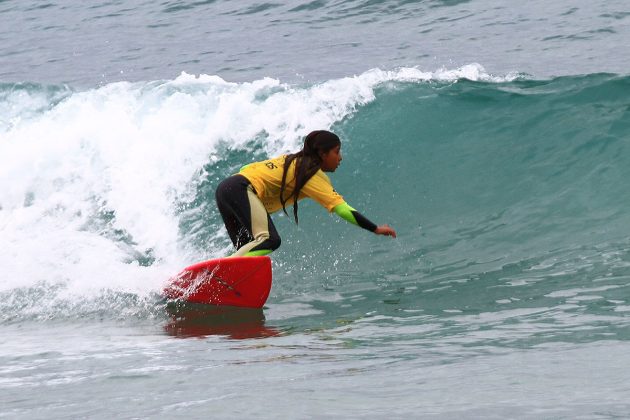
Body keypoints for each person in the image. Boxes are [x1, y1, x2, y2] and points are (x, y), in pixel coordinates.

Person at [215, 130, 397, 257]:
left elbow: (247, 168)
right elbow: (342, 209)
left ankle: (217, 278)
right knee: (270, 240)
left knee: (249, 249)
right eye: (336, 152)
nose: (340, 157)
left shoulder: (291, 160)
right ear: (323, 154)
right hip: (241, 189)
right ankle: (220, 270)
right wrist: (375, 228)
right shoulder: (311, 173)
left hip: (227, 189)